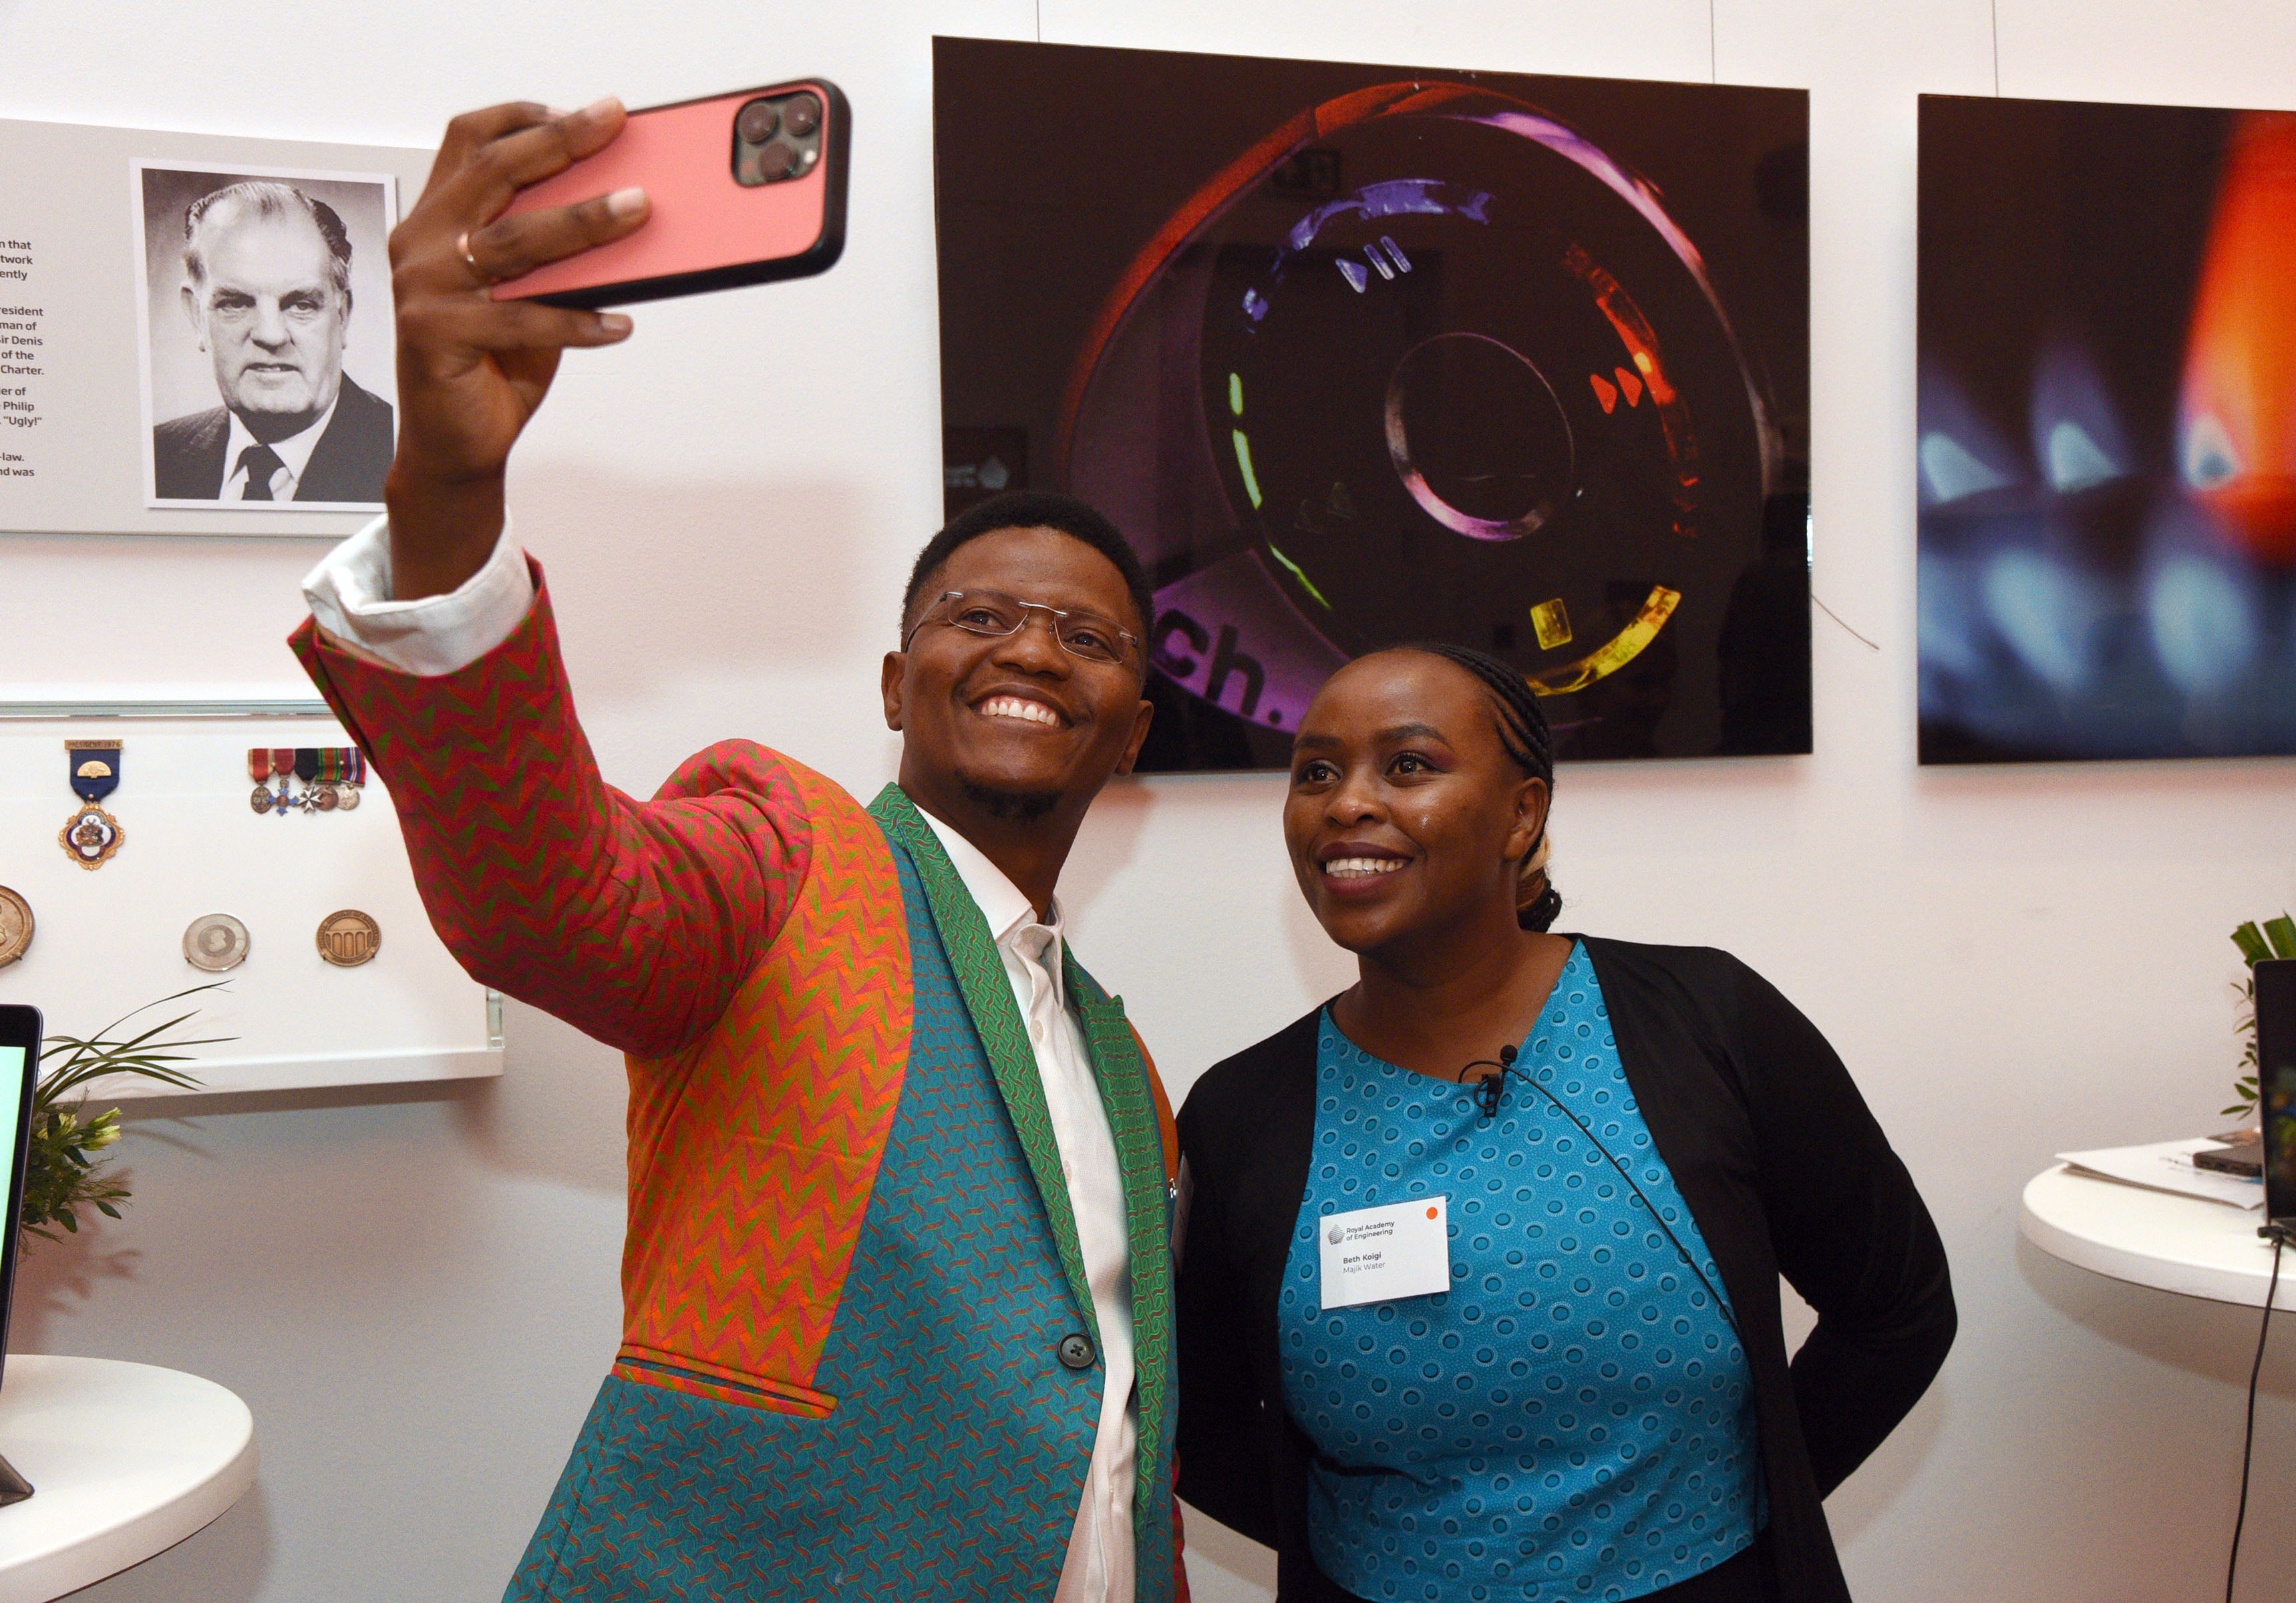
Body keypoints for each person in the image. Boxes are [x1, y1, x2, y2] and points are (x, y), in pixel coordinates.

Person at [286, 100, 1184, 1602]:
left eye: (1086, 637)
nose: (1032, 646)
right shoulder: (780, 857)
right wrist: (445, 488)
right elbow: (546, 900)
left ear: (1130, 733)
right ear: (897, 688)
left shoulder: (1123, 1064)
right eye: (978, 618)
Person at [1174, 644, 1955, 1603]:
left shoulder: (1709, 1023)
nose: (1347, 803)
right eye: (1316, 773)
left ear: (1522, 813)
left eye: (1409, 765)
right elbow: (1197, 1425)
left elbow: (1899, 1309)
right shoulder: (1242, 1113)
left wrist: (1739, 1511)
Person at [153, 179, 393, 502]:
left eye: (301, 305)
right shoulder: (159, 456)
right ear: (197, 316)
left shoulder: (416, 457)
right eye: (235, 303)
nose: (271, 335)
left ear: (343, 315)